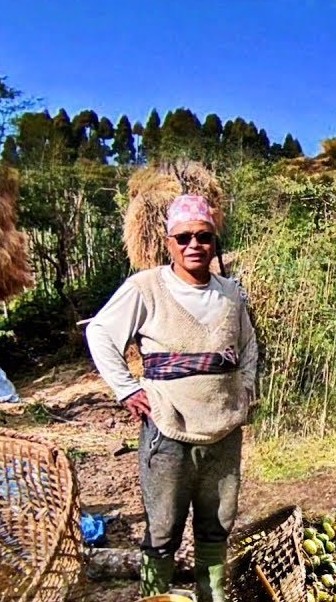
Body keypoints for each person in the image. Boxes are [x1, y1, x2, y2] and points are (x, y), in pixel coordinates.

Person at [86, 194, 258, 602]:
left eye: (203, 236)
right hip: (169, 430)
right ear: (169, 244)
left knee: (217, 525)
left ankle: (211, 595)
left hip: (223, 430)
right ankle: (154, 596)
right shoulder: (146, 287)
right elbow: (100, 333)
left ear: (214, 241)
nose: (193, 245)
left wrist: (247, 386)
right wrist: (128, 388)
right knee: (163, 529)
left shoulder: (231, 293)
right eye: (183, 238)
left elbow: (248, 346)